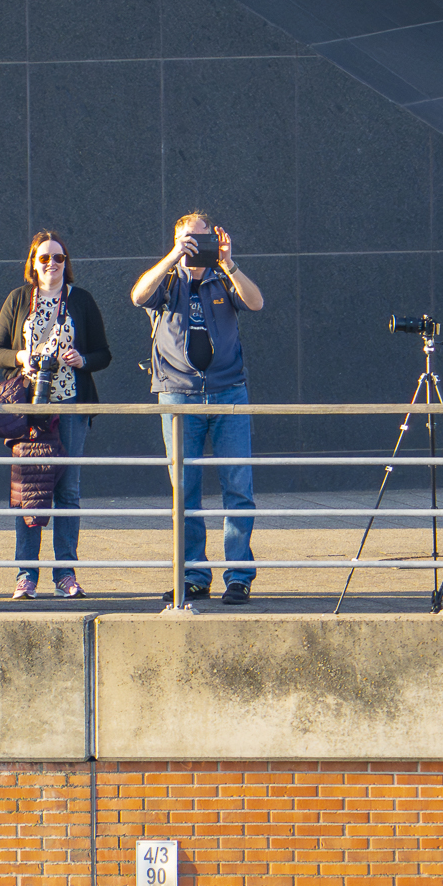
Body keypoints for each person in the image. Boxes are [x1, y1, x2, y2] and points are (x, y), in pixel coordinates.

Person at [132, 211, 266, 605]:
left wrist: (228, 262)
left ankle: (238, 576)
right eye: (189, 238)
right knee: (185, 491)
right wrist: (174, 256)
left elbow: (256, 303)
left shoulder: (223, 277)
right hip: (178, 394)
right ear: (176, 240)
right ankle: (193, 575)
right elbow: (138, 296)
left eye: (202, 238)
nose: (196, 245)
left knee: (238, 487)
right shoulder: (167, 280)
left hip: (228, 392)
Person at [0, 230, 112, 599]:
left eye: (58, 258)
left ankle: (65, 575)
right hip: (28, 409)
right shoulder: (18, 299)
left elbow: (104, 353)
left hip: (70, 405)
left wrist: (82, 359)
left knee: (67, 490)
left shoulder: (81, 300)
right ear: (33, 262)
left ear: (66, 263)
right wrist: (20, 356)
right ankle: (26, 575)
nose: (52, 264)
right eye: (44, 257)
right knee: (27, 490)